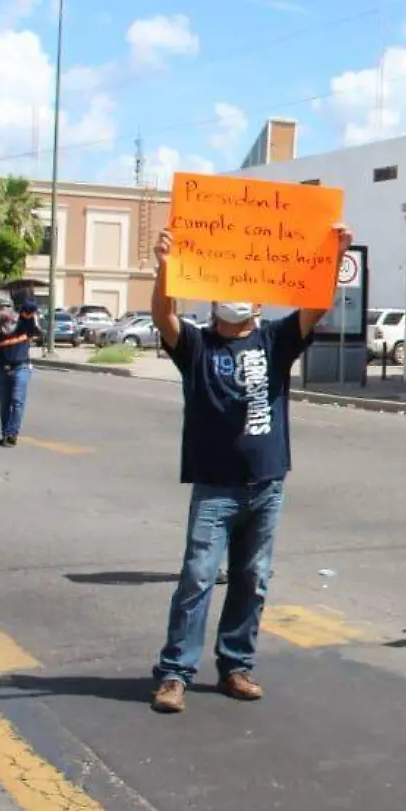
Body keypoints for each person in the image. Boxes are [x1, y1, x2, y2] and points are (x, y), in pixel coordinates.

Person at [148, 220, 354, 714]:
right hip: (215, 488)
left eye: (244, 293)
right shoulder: (198, 347)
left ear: (259, 304)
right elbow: (163, 318)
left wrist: (331, 255)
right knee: (198, 576)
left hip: (266, 485)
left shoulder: (274, 342)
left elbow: (315, 307)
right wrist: (164, 269)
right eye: (226, 291)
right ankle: (175, 672)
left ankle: (236, 665)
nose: (234, 299)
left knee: (253, 578)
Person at [0, 299, 41, 447]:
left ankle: (12, 433)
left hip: (21, 367)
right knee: (4, 404)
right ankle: (6, 433)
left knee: (17, 400)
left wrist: (28, 301)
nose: (5, 310)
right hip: (2, 369)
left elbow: (31, 315)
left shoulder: (23, 323)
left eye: (8, 307)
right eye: (2, 308)